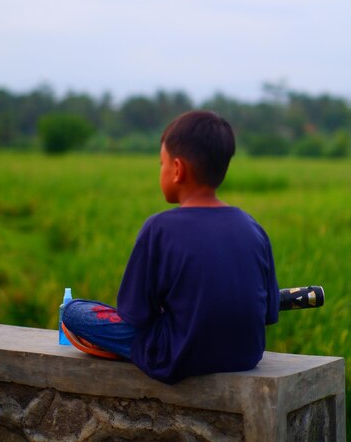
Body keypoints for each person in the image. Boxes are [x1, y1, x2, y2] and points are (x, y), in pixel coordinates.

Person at [62, 110, 279, 384]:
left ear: (177, 170)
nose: (161, 171)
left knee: (75, 313)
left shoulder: (159, 228)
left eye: (161, 163)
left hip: (179, 354)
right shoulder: (253, 227)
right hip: (246, 354)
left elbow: (135, 315)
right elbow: (269, 312)